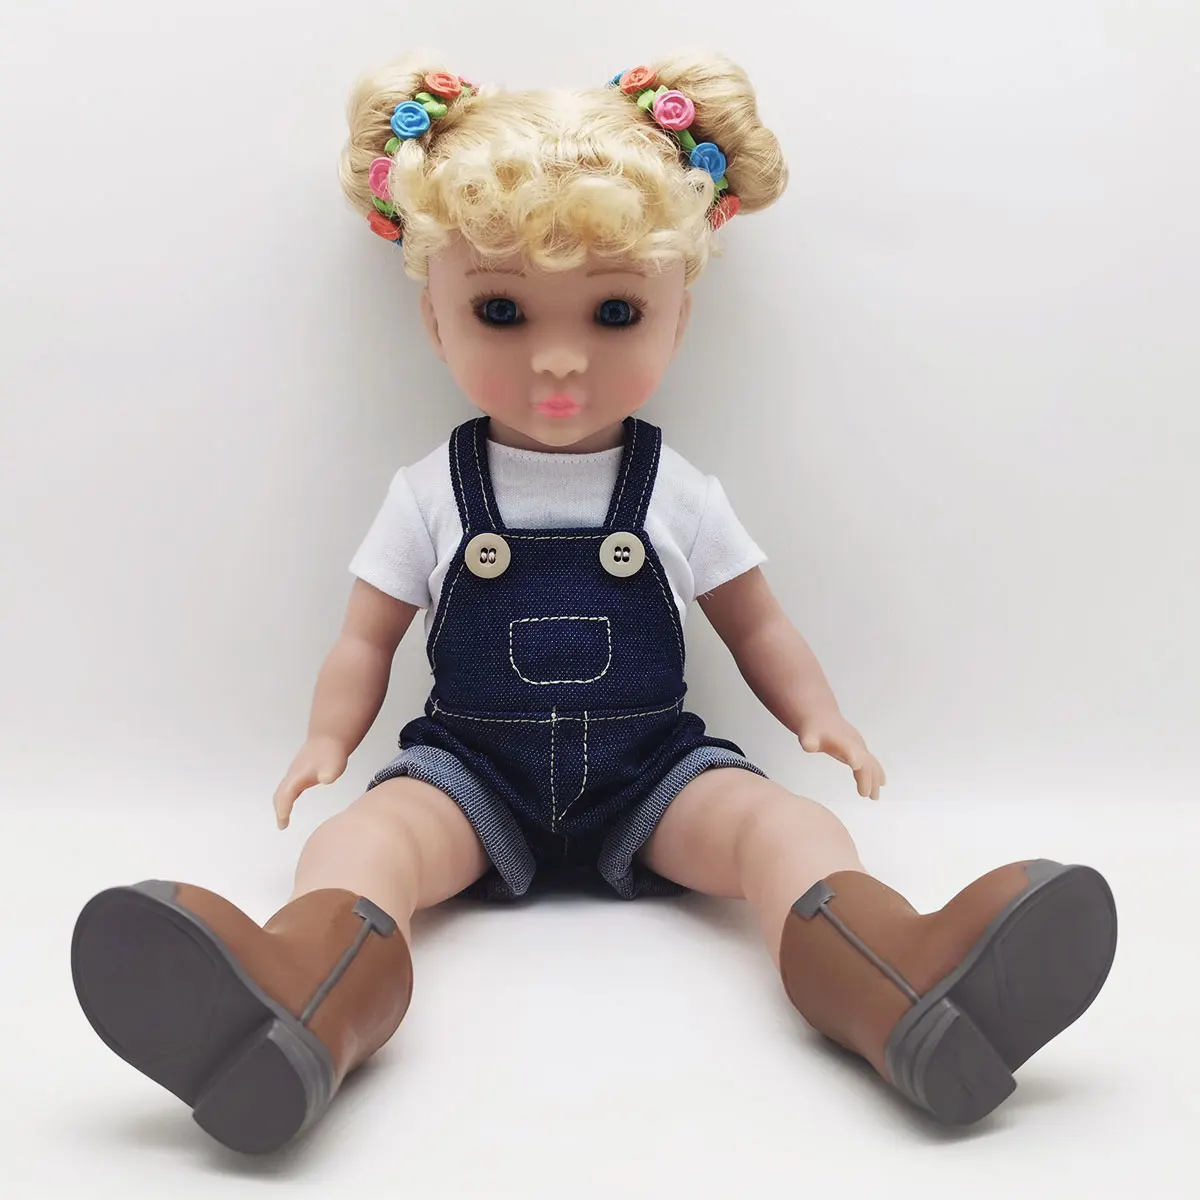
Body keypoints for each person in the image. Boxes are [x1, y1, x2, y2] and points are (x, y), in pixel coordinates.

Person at [70, 52, 1118, 1155]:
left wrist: (820, 716)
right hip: (469, 778)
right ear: (434, 319)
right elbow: (364, 638)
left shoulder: (676, 492)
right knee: (367, 841)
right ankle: (301, 1003)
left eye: (616, 311)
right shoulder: (432, 494)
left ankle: (898, 982)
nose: (560, 360)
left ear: (679, 316)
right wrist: (327, 739)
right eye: (502, 311)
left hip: (652, 778)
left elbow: (756, 621)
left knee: (782, 825)